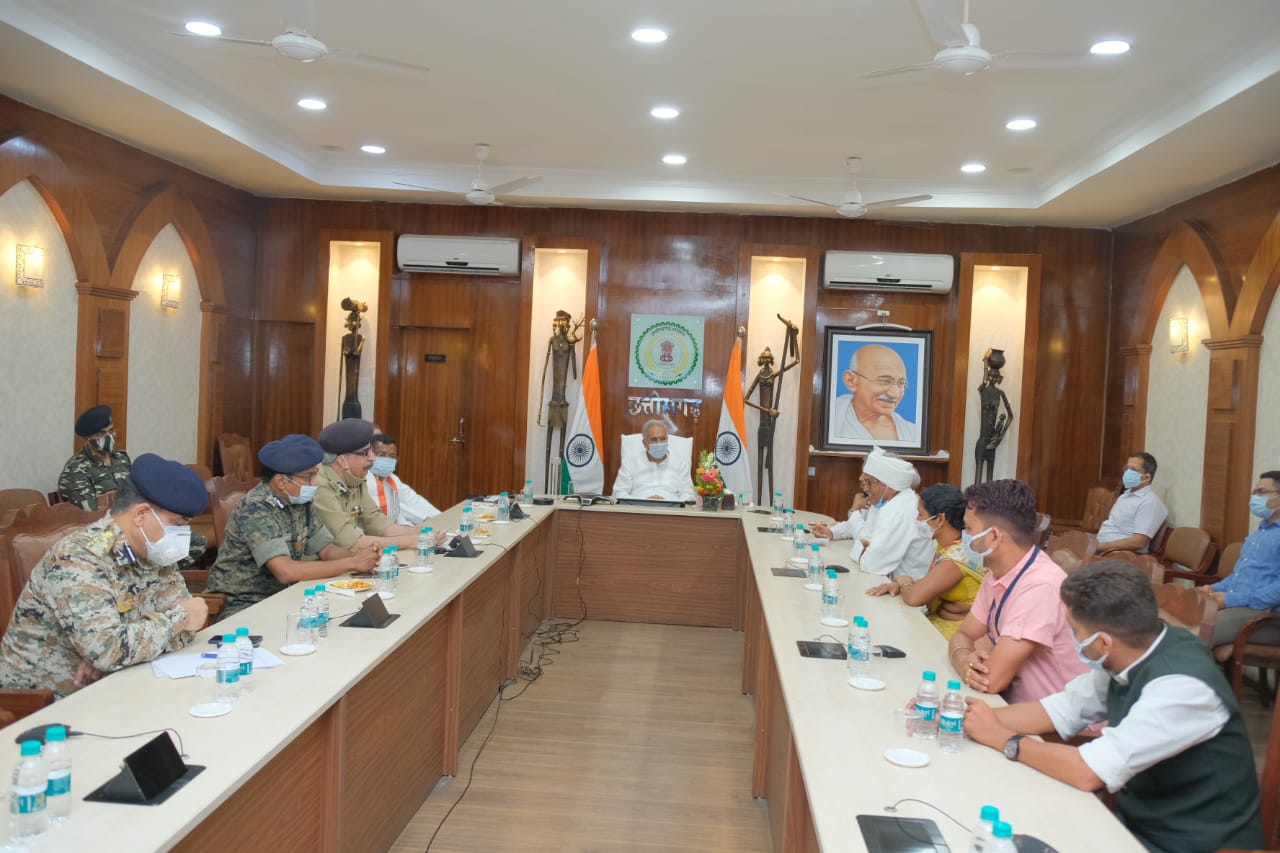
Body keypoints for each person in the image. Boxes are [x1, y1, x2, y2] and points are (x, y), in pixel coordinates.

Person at [963, 561, 1263, 853]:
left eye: (1075, 631)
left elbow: (1088, 771)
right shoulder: (1134, 650)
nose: (1073, 639)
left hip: (1194, 842)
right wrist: (966, 716)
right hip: (1133, 822)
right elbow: (1061, 709)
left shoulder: (1182, 688)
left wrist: (1002, 739)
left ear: (1103, 642)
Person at [0, 454, 209, 697]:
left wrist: (123, 653)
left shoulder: (153, 552)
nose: (184, 534)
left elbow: (188, 629)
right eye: (178, 524)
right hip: (43, 703)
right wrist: (178, 618)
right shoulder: (80, 558)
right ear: (141, 514)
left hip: (114, 687)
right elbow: (109, 649)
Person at [206, 435, 381, 618]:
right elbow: (286, 571)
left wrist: (362, 557)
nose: (316, 482)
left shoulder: (298, 501)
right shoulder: (257, 507)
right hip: (243, 603)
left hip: (283, 596)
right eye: (309, 476)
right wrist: (352, 563)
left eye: (315, 474)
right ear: (282, 481)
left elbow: (326, 549)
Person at [948, 479, 1088, 703]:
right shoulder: (997, 573)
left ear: (993, 536)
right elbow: (963, 635)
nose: (964, 536)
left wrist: (966, 659)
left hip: (1055, 728)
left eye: (969, 529)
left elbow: (990, 680)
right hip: (1010, 704)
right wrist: (963, 658)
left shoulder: (1041, 586)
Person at [866, 483, 985, 638]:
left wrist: (905, 584)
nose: (916, 519)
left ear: (940, 519)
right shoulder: (948, 546)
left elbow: (915, 598)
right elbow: (931, 585)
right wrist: (899, 585)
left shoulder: (956, 557)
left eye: (920, 514)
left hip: (956, 635)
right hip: (940, 624)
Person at [313, 418, 444, 551]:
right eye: (365, 452)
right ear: (342, 461)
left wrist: (424, 533)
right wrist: (412, 541)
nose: (372, 458)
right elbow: (353, 543)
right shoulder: (320, 486)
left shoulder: (355, 479)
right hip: (324, 565)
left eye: (370, 450)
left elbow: (378, 524)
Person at [1204, 470, 1280, 647]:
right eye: (1254, 493)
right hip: (1242, 606)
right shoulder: (1258, 534)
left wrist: (1230, 600)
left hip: (1268, 617)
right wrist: (1212, 588)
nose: (1254, 498)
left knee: (1199, 630)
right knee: (1182, 614)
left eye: (1261, 492)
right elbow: (1238, 576)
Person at [832, 447, 931, 579]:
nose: (865, 488)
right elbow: (861, 542)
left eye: (868, 482)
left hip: (908, 588)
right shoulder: (882, 503)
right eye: (863, 482)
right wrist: (865, 550)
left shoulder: (900, 509)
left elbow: (873, 564)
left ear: (887, 484)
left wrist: (865, 551)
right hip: (886, 581)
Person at [834, 345, 918, 444]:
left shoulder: (911, 432)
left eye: (901, 383)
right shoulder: (833, 416)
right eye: (885, 381)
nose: (895, 394)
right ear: (851, 381)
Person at [57, 404, 132, 509]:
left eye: (111, 431)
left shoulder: (121, 458)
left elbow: (135, 494)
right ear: (88, 437)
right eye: (101, 434)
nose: (109, 436)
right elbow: (91, 513)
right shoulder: (75, 470)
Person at [1097, 451, 1168, 554]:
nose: (1127, 473)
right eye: (1126, 469)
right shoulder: (1125, 495)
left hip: (1119, 555)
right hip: (1102, 548)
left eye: (1133, 470)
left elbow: (1138, 542)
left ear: (1147, 477)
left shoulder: (1149, 502)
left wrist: (1100, 546)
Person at [365, 433, 441, 527]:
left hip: (392, 529)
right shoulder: (364, 480)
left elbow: (412, 499)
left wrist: (438, 517)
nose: (387, 459)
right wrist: (423, 519)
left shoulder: (392, 478)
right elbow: (392, 507)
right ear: (369, 455)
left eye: (392, 456)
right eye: (381, 455)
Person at [611, 419, 695, 502]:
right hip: (638, 508)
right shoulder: (631, 461)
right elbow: (619, 492)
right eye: (654, 440)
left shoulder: (680, 461)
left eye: (663, 438)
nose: (659, 443)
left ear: (667, 439)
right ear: (644, 443)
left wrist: (668, 501)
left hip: (671, 510)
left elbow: (688, 494)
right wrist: (644, 501)